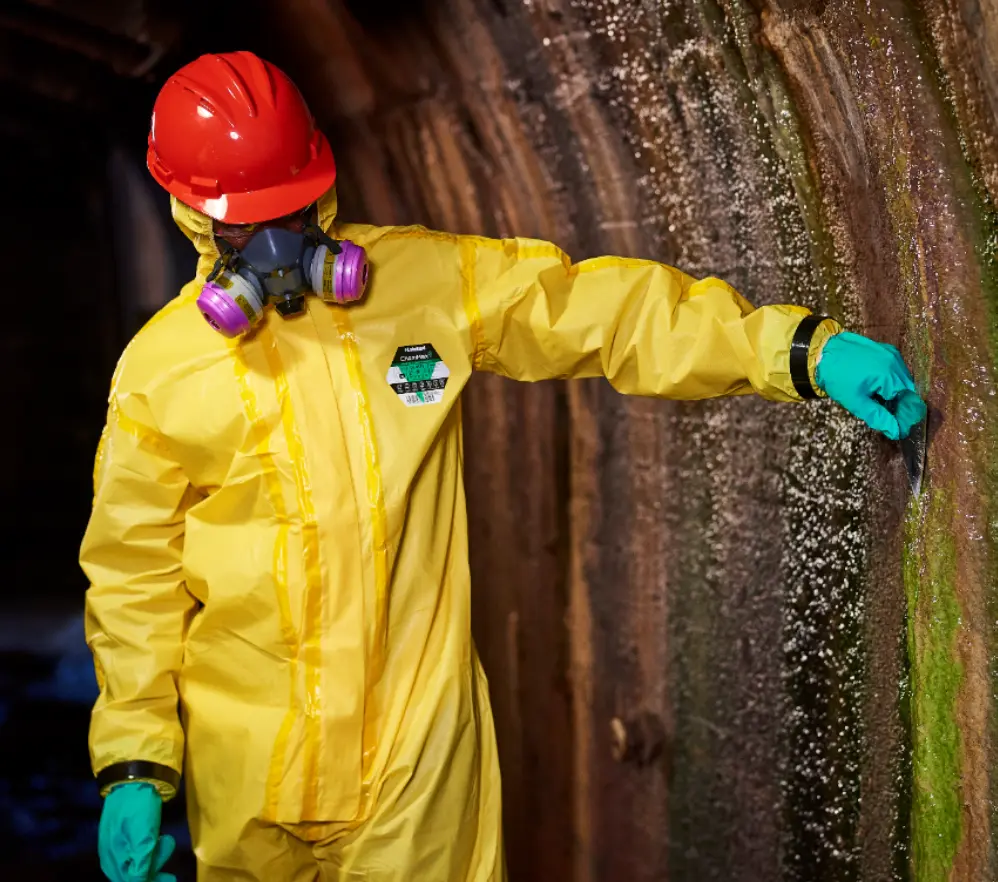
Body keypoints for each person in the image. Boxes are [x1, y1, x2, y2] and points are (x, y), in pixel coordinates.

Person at [82, 50, 925, 882]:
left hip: (416, 774)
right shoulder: (161, 374)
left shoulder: (422, 285)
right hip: (246, 777)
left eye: (294, 210)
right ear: (191, 214)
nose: (274, 245)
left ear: (323, 187)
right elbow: (133, 580)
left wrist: (796, 350)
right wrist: (135, 765)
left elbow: (600, 312)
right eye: (243, 225)